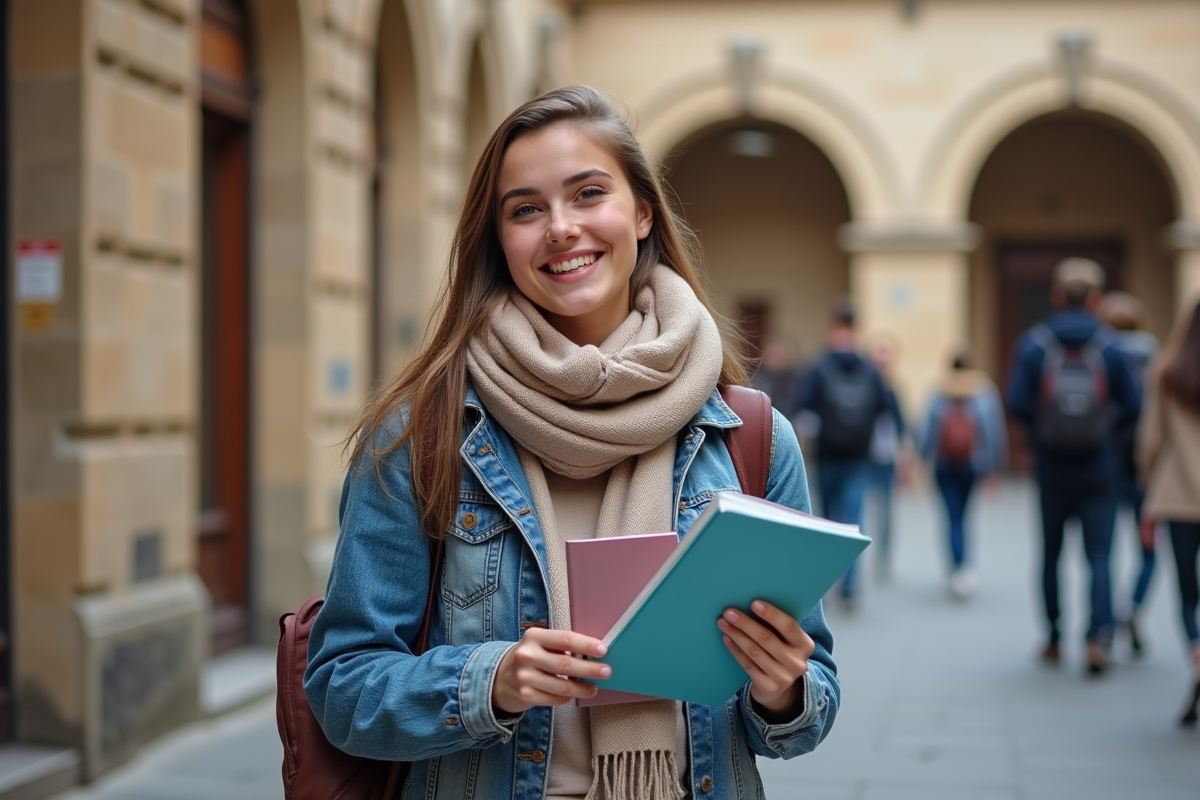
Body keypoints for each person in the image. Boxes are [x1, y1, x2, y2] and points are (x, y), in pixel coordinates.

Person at [302, 86, 840, 800]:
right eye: (525, 209)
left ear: (642, 212)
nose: (561, 227)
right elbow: (342, 687)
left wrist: (783, 689)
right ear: (499, 239)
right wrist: (490, 681)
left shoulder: (752, 436)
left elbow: (812, 702)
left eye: (589, 193)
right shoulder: (421, 433)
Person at [1005, 258, 1141, 675]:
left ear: (1057, 297)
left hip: (1051, 467)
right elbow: (1134, 407)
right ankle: (1097, 639)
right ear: (1097, 299)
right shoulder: (1113, 346)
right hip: (1100, 467)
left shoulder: (1034, 344)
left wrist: (1042, 434)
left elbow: (1016, 403)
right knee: (1099, 554)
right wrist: (1105, 433)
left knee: (1051, 553)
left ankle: (1053, 637)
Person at [794, 299, 899, 606]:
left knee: (826, 520)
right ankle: (851, 586)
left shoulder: (818, 365)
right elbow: (886, 409)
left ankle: (826, 582)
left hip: (827, 455)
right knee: (853, 518)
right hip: (859, 456)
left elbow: (801, 407)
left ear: (831, 326)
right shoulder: (869, 368)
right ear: (856, 327)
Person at [1138, 299, 1200, 727]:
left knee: (1188, 592)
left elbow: (1151, 441)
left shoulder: (1166, 372)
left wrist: (1148, 491)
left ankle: (1197, 650)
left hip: (1179, 497)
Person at [1096, 291, 1160, 655]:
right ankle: (1133, 606)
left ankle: (1102, 628)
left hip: (1106, 466)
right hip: (1147, 472)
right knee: (1149, 550)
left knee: (1103, 551)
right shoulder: (1161, 363)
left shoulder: (1099, 357)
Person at [919, 348, 1006, 600]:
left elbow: (927, 431)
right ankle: (964, 569)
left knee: (951, 517)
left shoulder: (940, 391)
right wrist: (994, 468)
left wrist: (923, 459)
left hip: (944, 465)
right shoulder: (984, 392)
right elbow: (993, 433)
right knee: (966, 516)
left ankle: (955, 567)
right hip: (973, 465)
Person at [864, 334, 907, 582]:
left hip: (887, 457)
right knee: (862, 507)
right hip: (865, 456)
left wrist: (906, 455)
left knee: (887, 511)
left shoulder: (893, 389)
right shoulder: (864, 386)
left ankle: (883, 557)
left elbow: (901, 424)